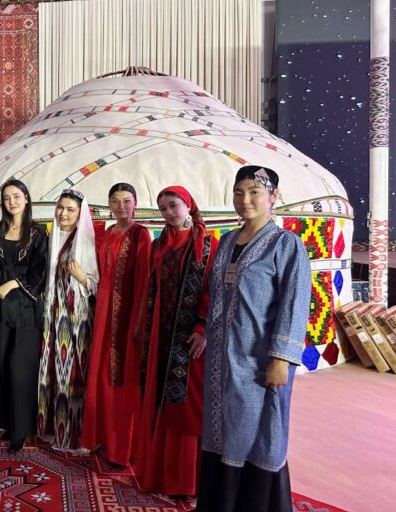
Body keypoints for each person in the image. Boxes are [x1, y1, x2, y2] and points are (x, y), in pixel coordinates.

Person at [196, 166, 311, 512]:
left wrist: (281, 358)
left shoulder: (286, 244)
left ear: (273, 196)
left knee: (258, 431)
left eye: (254, 192)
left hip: (260, 359)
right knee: (220, 429)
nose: (245, 200)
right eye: (239, 192)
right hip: (222, 358)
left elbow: (295, 303)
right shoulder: (227, 240)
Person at [133, 185, 217, 496]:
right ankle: (160, 475)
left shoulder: (208, 244)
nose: (169, 213)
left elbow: (213, 289)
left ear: (188, 205)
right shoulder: (159, 244)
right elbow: (151, 287)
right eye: (163, 208)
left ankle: (188, 480)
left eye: (173, 206)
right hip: (160, 334)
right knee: (160, 400)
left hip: (190, 336)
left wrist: (203, 327)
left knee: (185, 406)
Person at [81, 182, 151, 467]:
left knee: (122, 376)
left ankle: (122, 448)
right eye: (115, 201)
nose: (121, 206)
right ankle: (103, 437)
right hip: (104, 310)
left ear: (135, 203)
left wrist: (138, 320)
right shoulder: (108, 232)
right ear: (109, 205)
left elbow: (144, 279)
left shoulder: (140, 234)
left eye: (126, 200)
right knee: (102, 373)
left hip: (127, 312)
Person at [37, 188, 98, 453]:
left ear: (80, 213)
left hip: (77, 318)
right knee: (52, 372)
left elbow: (98, 284)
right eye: (60, 207)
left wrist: (83, 278)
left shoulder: (87, 242)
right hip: (54, 315)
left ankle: (75, 434)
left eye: (70, 209)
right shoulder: (53, 238)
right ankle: (54, 428)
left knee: (72, 375)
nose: (63, 213)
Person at [0, 179, 48, 454]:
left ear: (26, 198)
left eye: (16, 196)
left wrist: (12, 284)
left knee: (20, 369)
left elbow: (40, 273)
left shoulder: (38, 233)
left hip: (25, 308)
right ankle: (8, 423)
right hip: (0, 308)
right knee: (2, 365)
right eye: (6, 197)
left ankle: (22, 429)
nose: (11, 201)